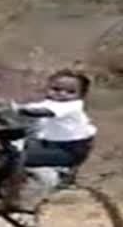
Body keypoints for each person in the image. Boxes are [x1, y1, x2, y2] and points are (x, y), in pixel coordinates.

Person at [11, 69, 97, 210]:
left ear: (81, 95)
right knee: (10, 148)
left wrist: (16, 109)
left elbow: (39, 112)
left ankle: (15, 198)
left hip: (69, 150)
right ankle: (13, 185)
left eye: (70, 92)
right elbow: (28, 108)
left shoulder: (72, 106)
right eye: (56, 89)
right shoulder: (48, 103)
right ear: (47, 88)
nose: (62, 94)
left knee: (17, 157)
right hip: (48, 144)